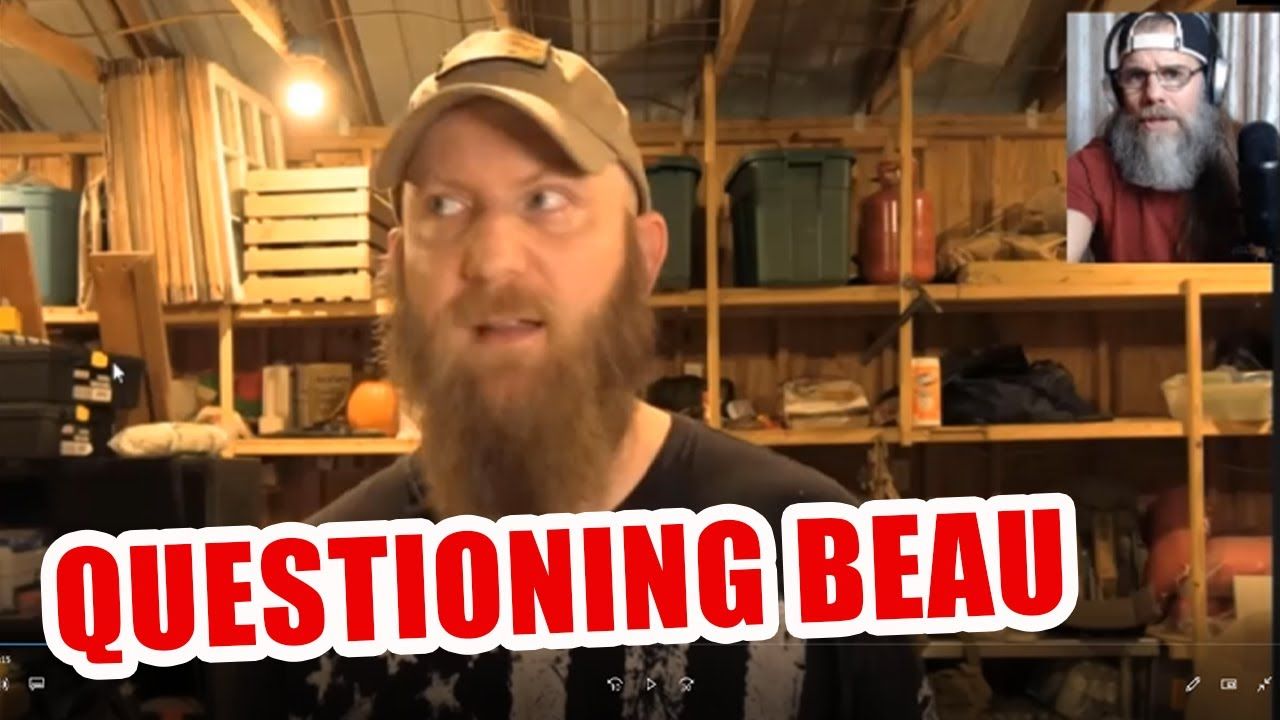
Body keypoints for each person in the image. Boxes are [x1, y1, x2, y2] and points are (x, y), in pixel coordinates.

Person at [269, 27, 935, 720]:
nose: (493, 261)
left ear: (643, 256)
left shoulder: (821, 562)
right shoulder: (307, 598)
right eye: (444, 205)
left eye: (546, 200)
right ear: (399, 264)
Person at [1066, 12, 1241, 263]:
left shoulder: (1255, 156)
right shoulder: (1090, 168)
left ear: (1212, 84)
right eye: (1136, 76)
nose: (1153, 94)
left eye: (1173, 74)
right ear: (1115, 92)